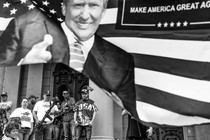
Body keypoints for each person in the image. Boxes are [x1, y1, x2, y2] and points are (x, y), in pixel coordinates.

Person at [0, 0, 137, 119]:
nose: (85, 15)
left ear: (103, 11)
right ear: (64, 8)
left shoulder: (122, 60)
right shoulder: (23, 26)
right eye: (78, 5)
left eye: (94, 5)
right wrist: (22, 59)